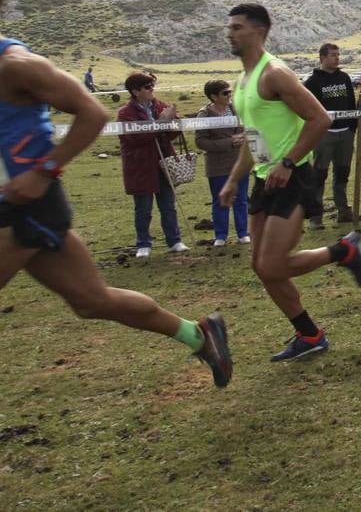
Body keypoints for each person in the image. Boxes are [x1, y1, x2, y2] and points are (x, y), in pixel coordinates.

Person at [0, 24, 233, 388]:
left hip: (24, 207)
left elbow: (91, 112)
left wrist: (43, 172)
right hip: (23, 206)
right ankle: (200, 335)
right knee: (92, 301)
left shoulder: (17, 65)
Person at [219, 3, 361, 361]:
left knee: (272, 265)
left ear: (258, 31)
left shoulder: (275, 74)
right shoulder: (242, 81)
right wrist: (232, 181)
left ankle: (343, 251)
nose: (230, 33)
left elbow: (319, 118)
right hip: (264, 179)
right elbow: (254, 140)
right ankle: (309, 334)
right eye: (229, 27)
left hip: (293, 177)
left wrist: (287, 162)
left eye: (237, 27)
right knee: (262, 267)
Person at [117, 72, 187, 259]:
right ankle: (143, 243)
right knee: (143, 208)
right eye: (147, 87)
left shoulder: (161, 106)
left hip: (163, 163)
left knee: (168, 205)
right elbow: (133, 138)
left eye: (152, 86)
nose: (152, 90)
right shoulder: (126, 114)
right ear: (135, 91)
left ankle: (174, 240)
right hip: (140, 166)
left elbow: (172, 135)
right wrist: (159, 124)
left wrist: (174, 123)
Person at [303, 42, 357, 228]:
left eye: (338, 54)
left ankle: (343, 211)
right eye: (333, 55)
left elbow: (352, 103)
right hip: (324, 135)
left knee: (342, 173)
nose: (337, 58)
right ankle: (315, 217)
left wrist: (352, 128)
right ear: (322, 58)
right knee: (319, 174)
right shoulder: (312, 82)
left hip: (345, 134)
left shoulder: (344, 78)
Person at [194, 80, 249, 246]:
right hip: (217, 165)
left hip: (239, 161)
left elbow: (246, 128)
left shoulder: (236, 109)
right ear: (213, 97)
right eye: (225, 93)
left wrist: (243, 137)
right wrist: (229, 142)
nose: (229, 95)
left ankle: (243, 233)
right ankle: (221, 235)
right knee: (220, 200)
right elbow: (201, 141)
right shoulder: (203, 115)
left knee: (241, 199)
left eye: (230, 92)